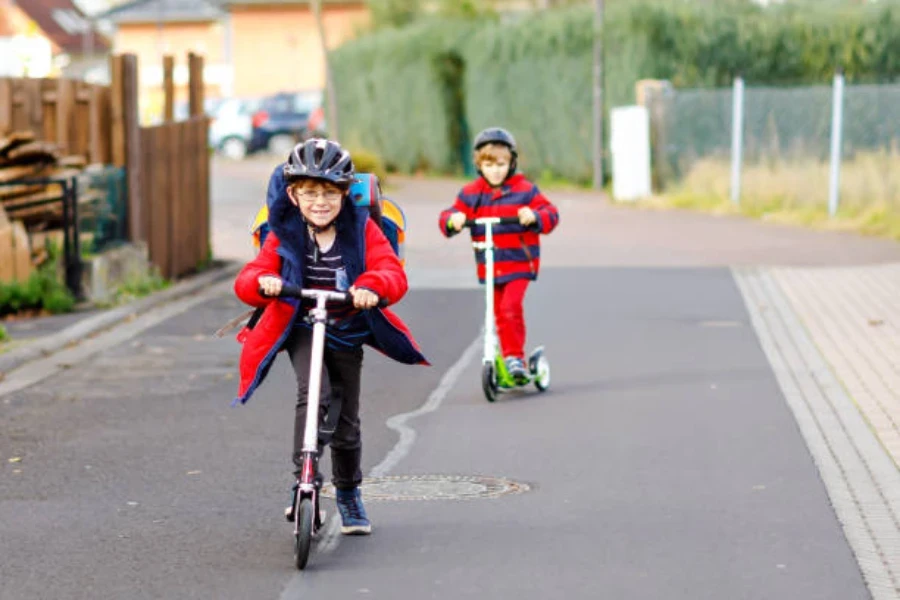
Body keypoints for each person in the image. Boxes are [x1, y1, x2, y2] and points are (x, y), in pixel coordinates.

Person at [233, 138, 427, 535]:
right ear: (293, 194)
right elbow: (250, 275)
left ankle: (349, 493)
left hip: (346, 327)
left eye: (328, 192)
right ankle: (303, 478)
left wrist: (373, 285)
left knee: (347, 422)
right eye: (309, 192)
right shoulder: (284, 232)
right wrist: (264, 281)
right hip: (303, 324)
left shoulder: (362, 229)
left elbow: (392, 271)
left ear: (344, 193)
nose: (319, 201)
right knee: (314, 393)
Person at [439, 127, 559, 381]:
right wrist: (454, 219)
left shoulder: (524, 190)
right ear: (479, 165)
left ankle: (514, 357)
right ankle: (506, 357)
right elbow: (448, 215)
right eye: (489, 165)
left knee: (510, 307)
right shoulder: (472, 193)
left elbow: (551, 213)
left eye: (501, 164)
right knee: (497, 313)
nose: (495, 170)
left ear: (512, 162)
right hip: (490, 266)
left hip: (518, 263)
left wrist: (534, 216)